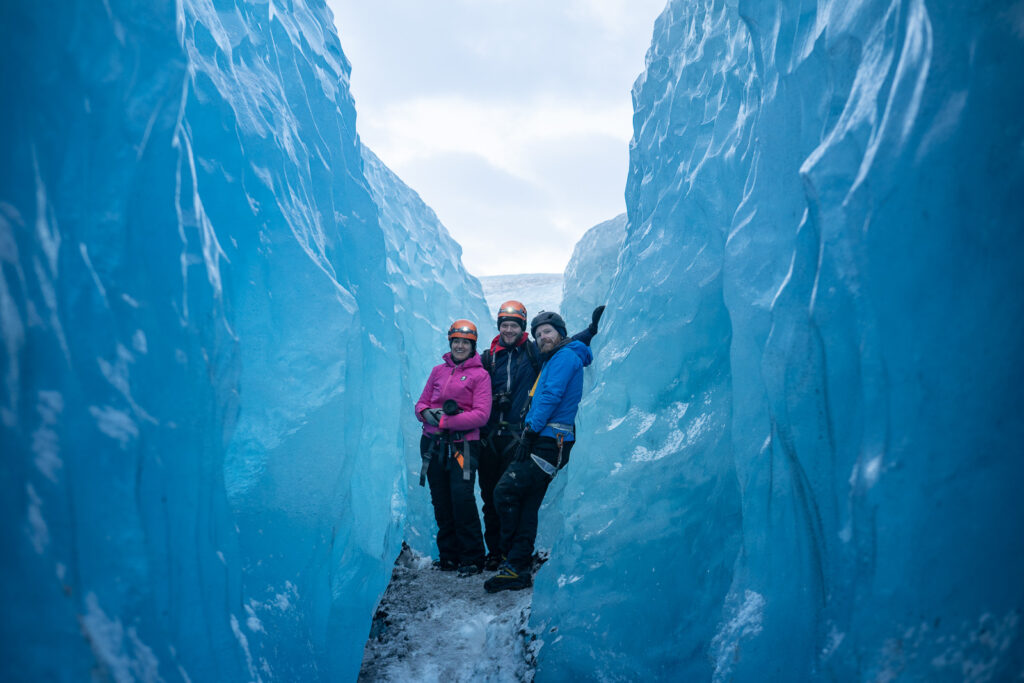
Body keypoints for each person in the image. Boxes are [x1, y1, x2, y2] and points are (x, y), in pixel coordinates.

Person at [477, 302, 604, 570]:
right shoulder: (490, 358)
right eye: (504, 325)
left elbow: (551, 391)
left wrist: (592, 331)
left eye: (514, 325)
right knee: (507, 499)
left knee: (506, 493)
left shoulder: (541, 354)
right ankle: (513, 562)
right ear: (498, 327)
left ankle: (512, 555)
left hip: (533, 437)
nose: (509, 329)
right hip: (504, 437)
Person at [414, 319, 492, 576]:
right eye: (456, 341)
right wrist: (427, 414)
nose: (459, 346)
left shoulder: (480, 375)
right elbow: (421, 404)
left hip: (463, 446)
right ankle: (448, 556)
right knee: (441, 499)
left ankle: (472, 558)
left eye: (465, 342)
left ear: (473, 346)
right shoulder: (438, 371)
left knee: (462, 498)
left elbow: (481, 415)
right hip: (433, 443)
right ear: (450, 343)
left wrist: (445, 420)